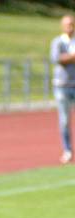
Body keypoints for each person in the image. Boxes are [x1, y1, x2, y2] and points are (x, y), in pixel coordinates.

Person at [50, 14, 75, 164]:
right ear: (62, 26)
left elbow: (65, 58)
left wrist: (68, 57)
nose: (70, 27)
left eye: (72, 24)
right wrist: (72, 56)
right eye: (67, 24)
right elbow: (57, 59)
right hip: (62, 86)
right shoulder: (57, 42)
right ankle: (67, 150)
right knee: (64, 120)